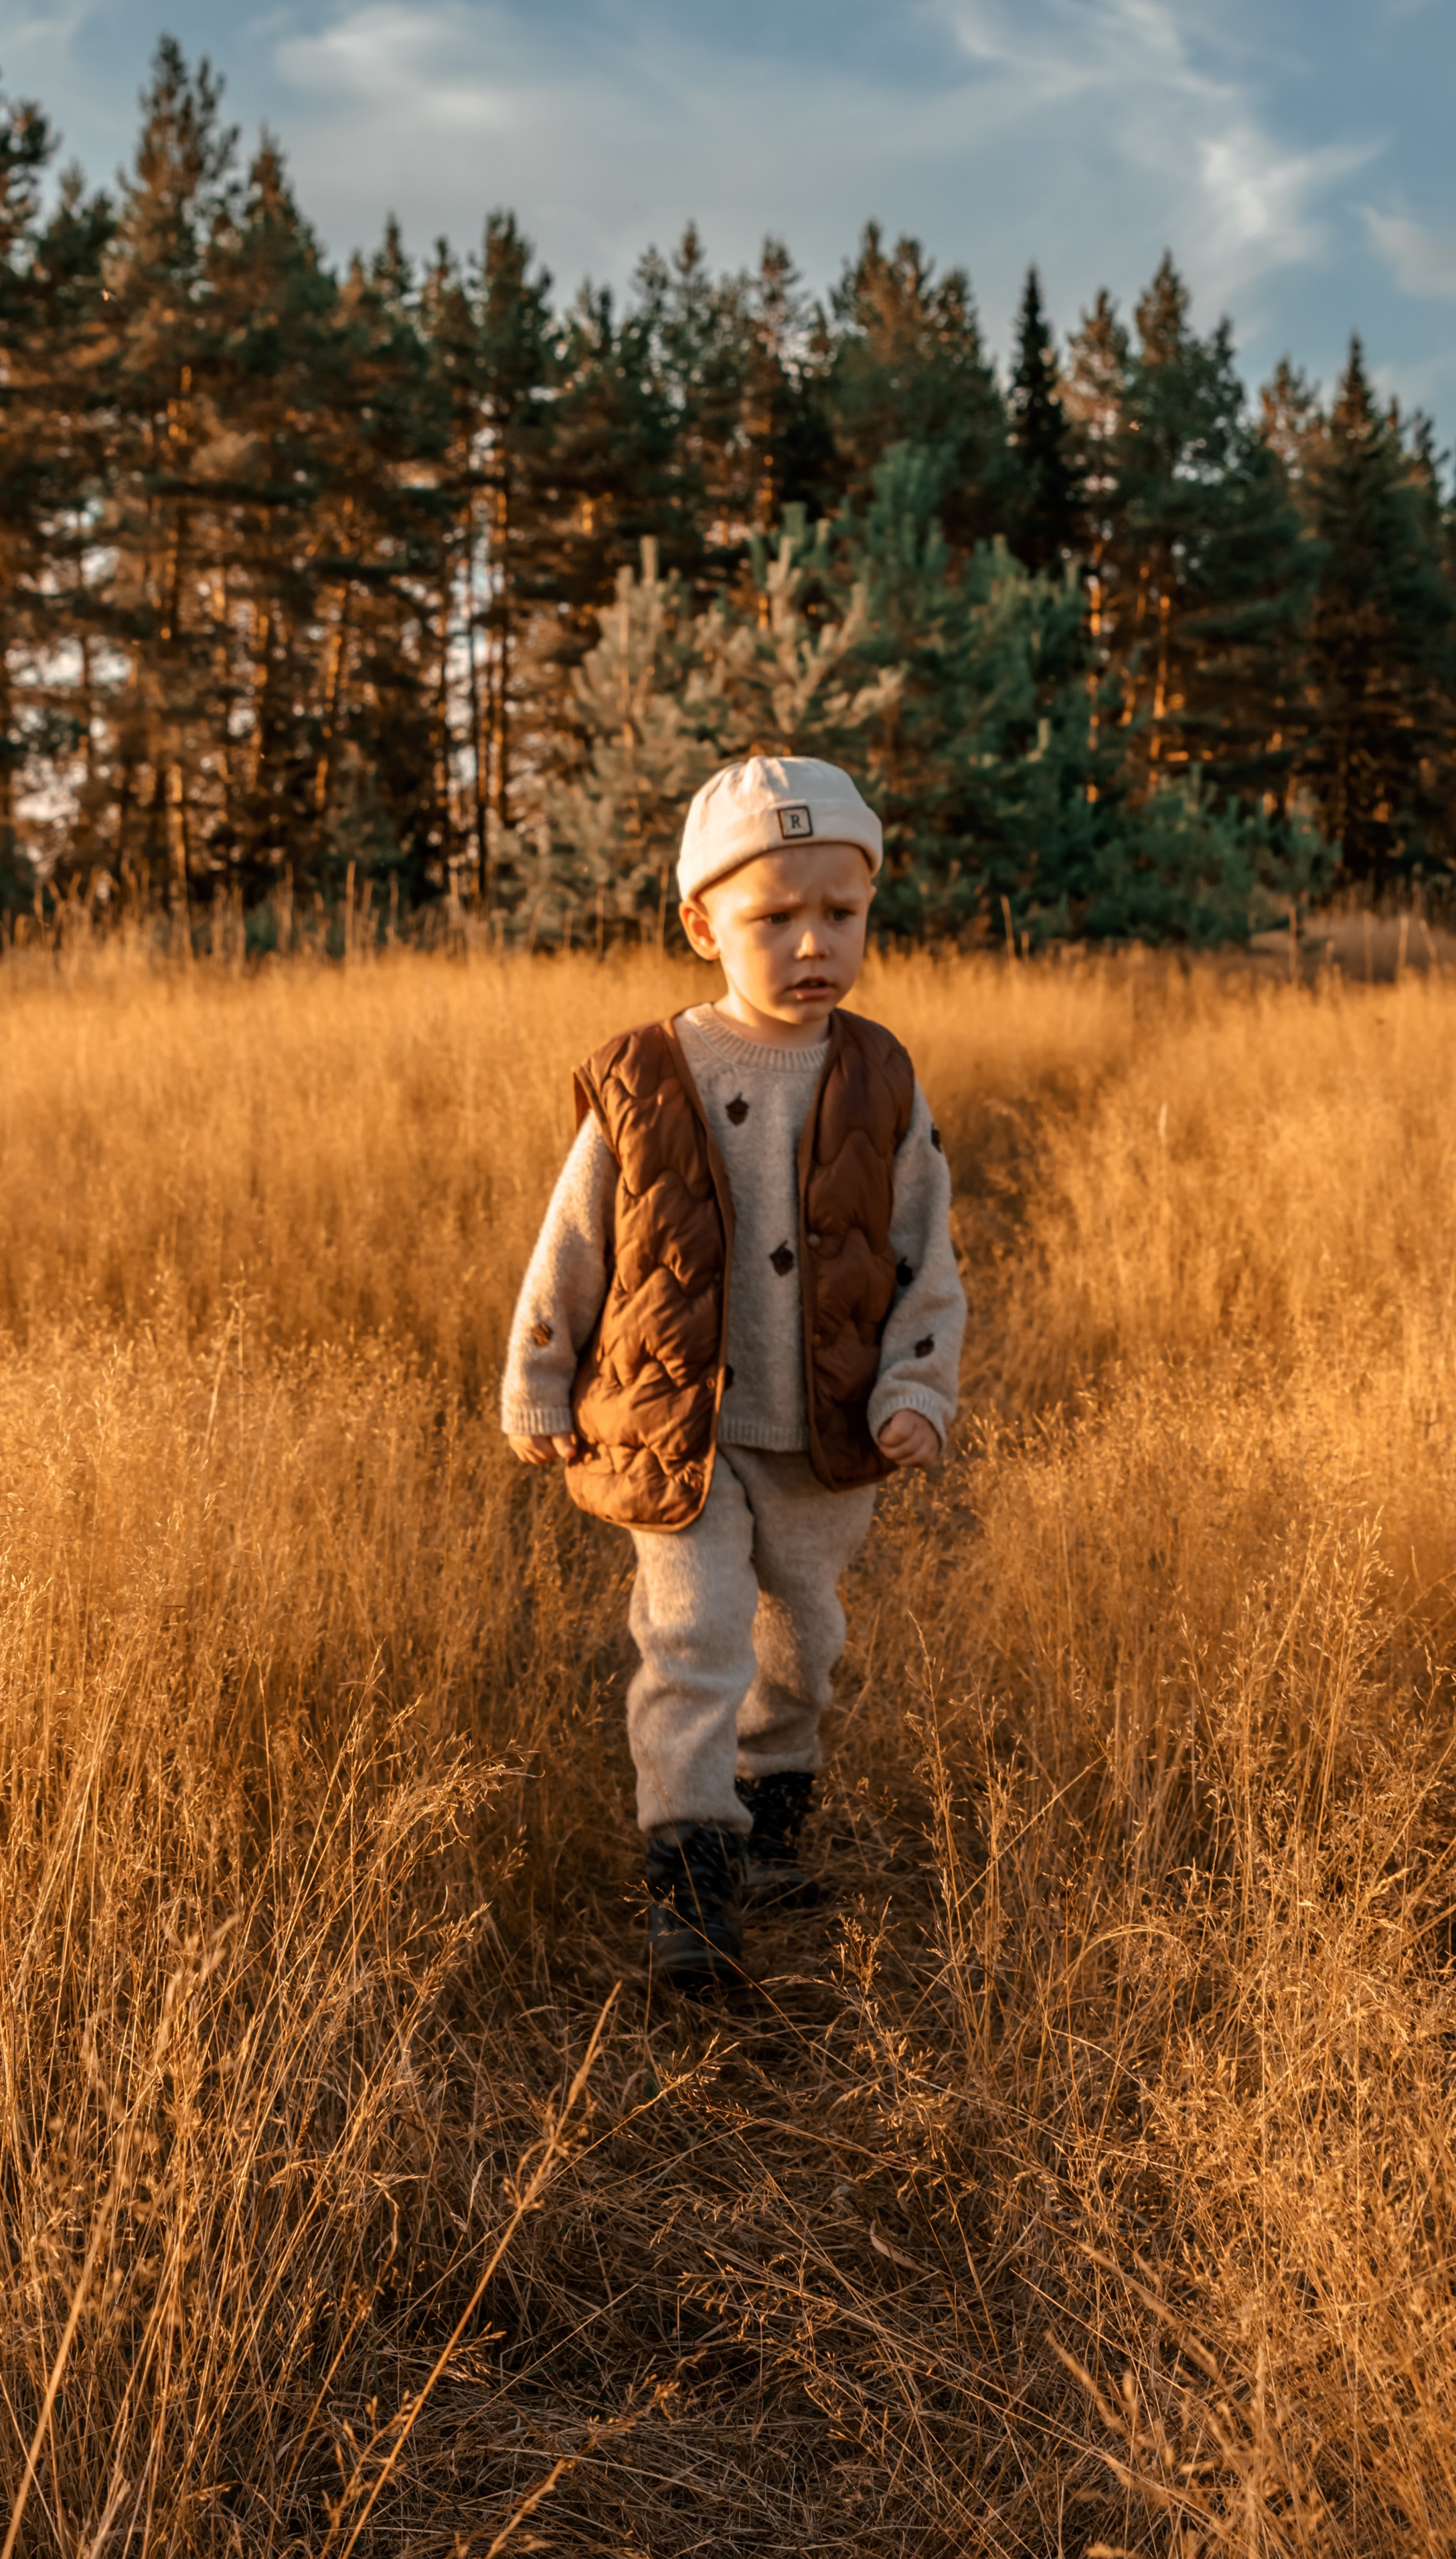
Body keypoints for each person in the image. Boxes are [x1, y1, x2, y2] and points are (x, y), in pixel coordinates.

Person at [501, 755, 965, 1987]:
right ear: (704, 923)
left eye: (842, 914)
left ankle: (772, 1812)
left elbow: (926, 1253)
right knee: (696, 1630)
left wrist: (916, 1387)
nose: (813, 942)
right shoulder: (648, 1074)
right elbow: (578, 1237)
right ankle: (692, 1876)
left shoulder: (879, 1077)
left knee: (802, 1643)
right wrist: (541, 1374)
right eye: (774, 919)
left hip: (820, 1426)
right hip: (672, 1427)